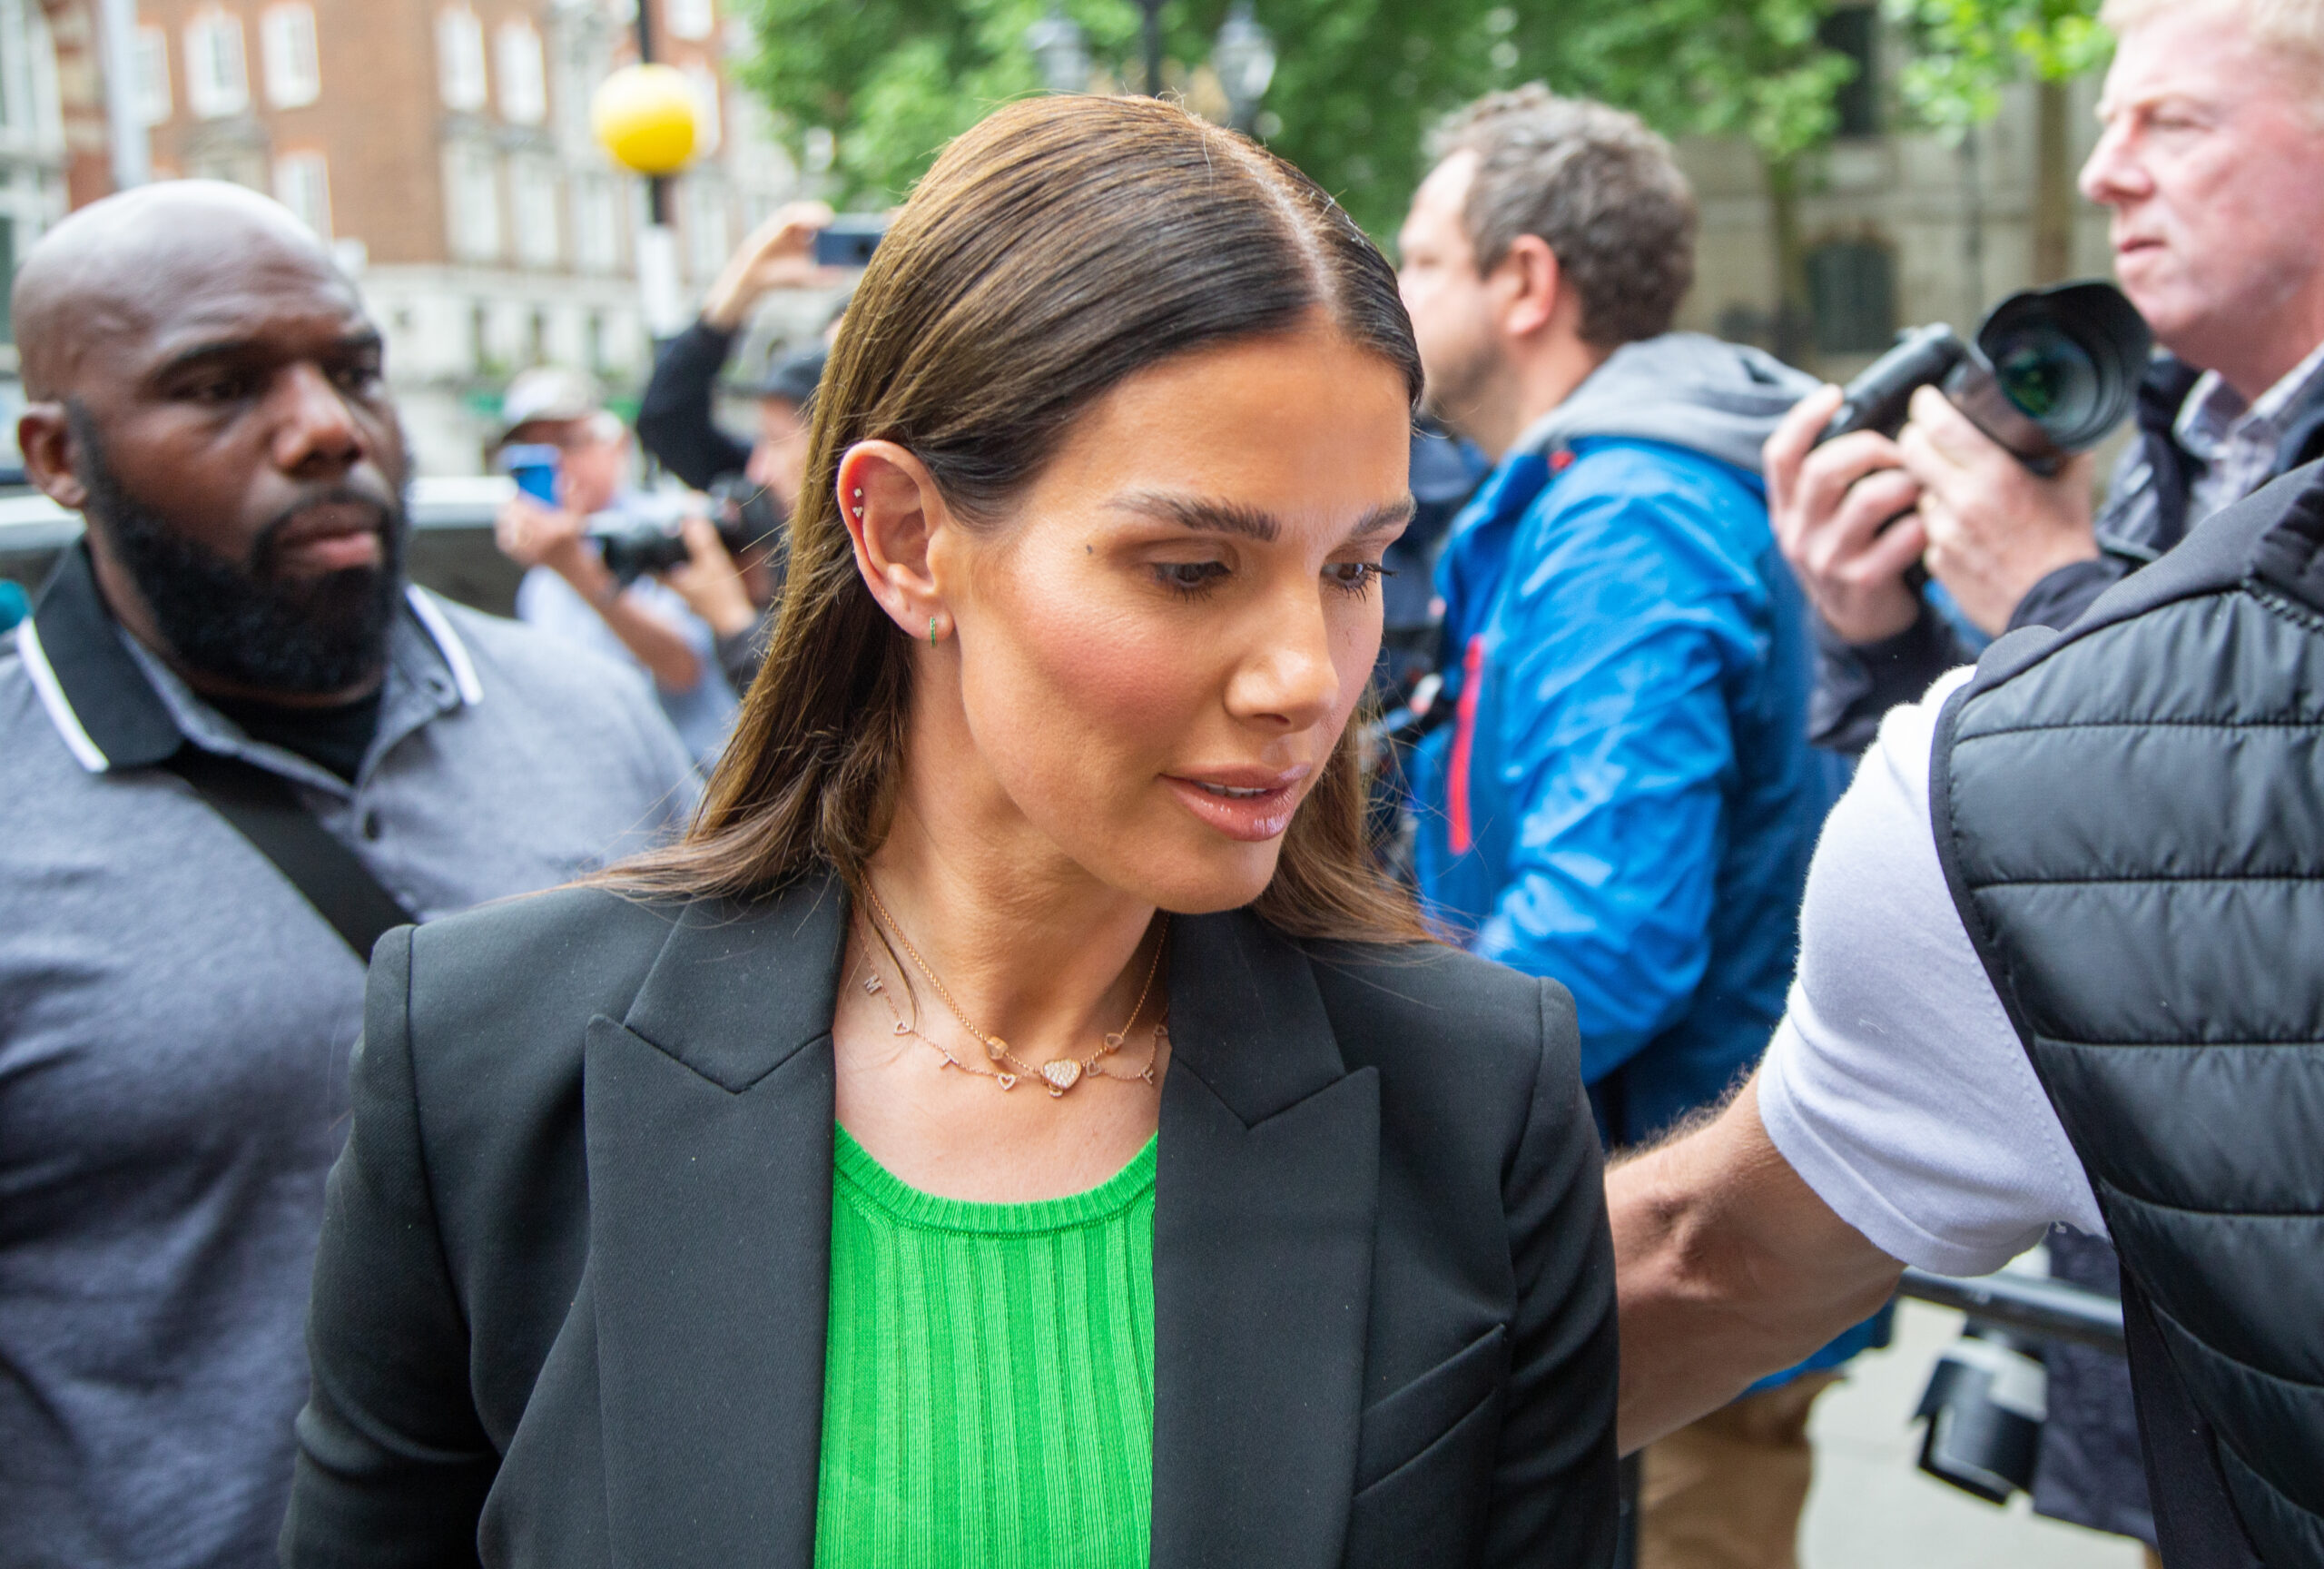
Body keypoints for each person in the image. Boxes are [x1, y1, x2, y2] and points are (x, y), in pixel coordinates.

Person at [281, 95, 1619, 1569]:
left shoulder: (1479, 1095)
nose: (1305, 673)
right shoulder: (487, 1058)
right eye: (1189, 567)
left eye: (1358, 563)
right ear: (906, 537)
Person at [0, 182, 698, 1569]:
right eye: (218, 386)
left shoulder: (585, 712)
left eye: (354, 369)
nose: (328, 427)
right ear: (59, 458)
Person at [1758, 0, 2324, 1546]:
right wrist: (1876, 637)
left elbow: (2268, 885)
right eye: (2109, 122)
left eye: (2175, 125)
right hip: (2177, 1326)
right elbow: (2068, 886)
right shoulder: (2162, 444)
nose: (2103, 175)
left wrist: (2057, 606)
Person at [1394, 88, 1851, 1569]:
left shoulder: (1623, 514)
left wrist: (1388, 1108)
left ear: (1525, 283)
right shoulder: (1628, 481)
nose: (1393, 303)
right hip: (1662, 1203)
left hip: (1648, 1239)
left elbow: (1608, 936)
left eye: (1420, 262)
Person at [491, 370, 740, 765]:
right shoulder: (542, 582)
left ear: (617, 444)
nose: (557, 465)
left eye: (568, 442)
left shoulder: (673, 527)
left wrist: (581, 573)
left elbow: (684, 667)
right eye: (533, 454)